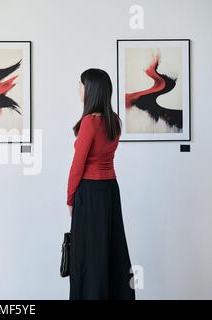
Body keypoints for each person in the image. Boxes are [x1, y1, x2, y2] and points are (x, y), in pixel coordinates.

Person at [67, 68, 135, 300]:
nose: (78, 89)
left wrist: (69, 198)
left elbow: (77, 166)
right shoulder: (114, 121)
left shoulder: (90, 122)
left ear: (91, 90)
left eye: (81, 84)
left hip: (89, 192)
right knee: (110, 247)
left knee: (88, 252)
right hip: (109, 191)